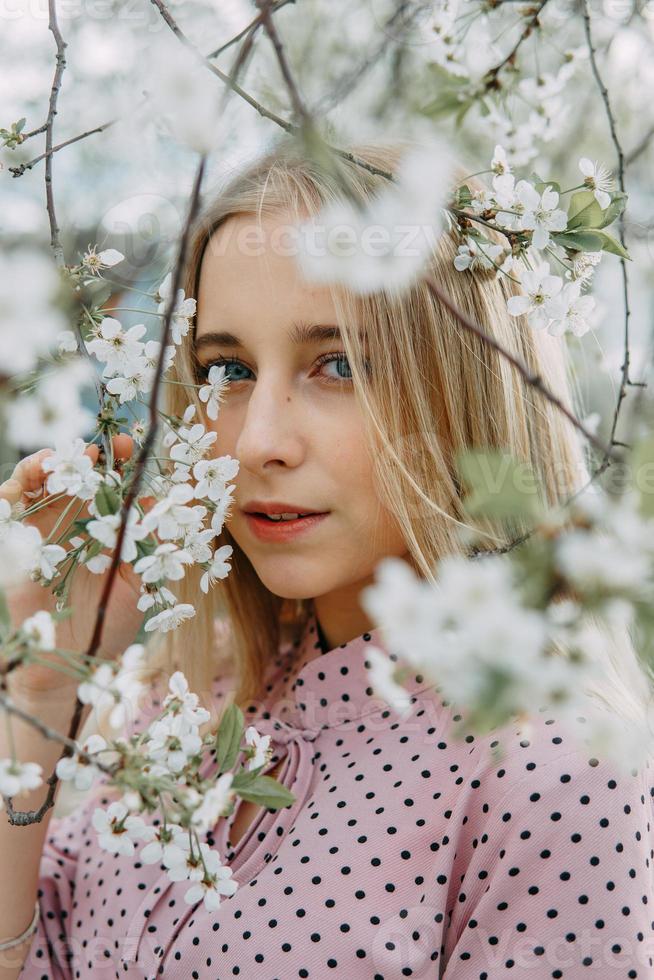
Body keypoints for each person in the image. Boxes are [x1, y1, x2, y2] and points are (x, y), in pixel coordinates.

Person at [1, 136, 653, 979]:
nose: (260, 440)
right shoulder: (179, 695)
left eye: (338, 364)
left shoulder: (556, 775)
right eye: (227, 367)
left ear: (466, 384)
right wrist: (48, 684)